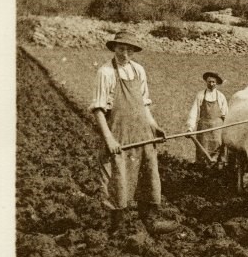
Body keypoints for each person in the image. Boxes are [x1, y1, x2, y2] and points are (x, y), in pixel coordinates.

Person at [90, 30, 179, 236]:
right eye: (121, 49)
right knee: (118, 177)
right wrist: (109, 139)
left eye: (130, 50)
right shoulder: (106, 73)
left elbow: (144, 104)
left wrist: (154, 125)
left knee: (148, 174)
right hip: (119, 134)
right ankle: (117, 226)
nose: (125, 54)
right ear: (114, 48)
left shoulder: (139, 70)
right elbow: (98, 109)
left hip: (143, 133)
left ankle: (150, 222)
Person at [186, 72, 228, 167]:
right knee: (202, 150)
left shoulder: (221, 96)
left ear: (216, 83)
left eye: (213, 82)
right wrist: (190, 127)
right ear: (206, 82)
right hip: (203, 128)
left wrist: (228, 129)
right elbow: (194, 111)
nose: (211, 84)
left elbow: (226, 114)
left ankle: (218, 171)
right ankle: (202, 173)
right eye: (209, 82)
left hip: (218, 129)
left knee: (219, 149)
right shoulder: (200, 95)